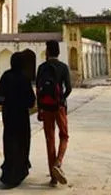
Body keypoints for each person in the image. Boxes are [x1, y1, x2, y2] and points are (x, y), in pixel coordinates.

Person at [0, 51, 36, 188]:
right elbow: (31, 102)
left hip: (9, 117)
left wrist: (8, 102)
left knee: (10, 144)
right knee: (22, 145)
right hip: (21, 118)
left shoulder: (6, 76)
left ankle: (9, 174)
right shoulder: (24, 78)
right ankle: (18, 172)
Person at [36, 40, 72, 186]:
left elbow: (38, 90)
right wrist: (62, 99)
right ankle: (58, 163)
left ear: (48, 52)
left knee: (49, 140)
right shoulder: (63, 67)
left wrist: (40, 109)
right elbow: (69, 88)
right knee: (64, 135)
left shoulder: (42, 68)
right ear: (58, 52)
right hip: (59, 107)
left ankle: (53, 177)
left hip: (46, 108)